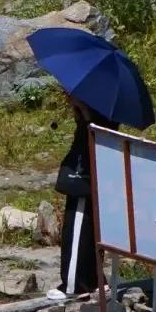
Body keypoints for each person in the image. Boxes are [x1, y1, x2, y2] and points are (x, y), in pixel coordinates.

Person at [53, 96, 113, 300]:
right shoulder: (106, 102)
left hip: (85, 176)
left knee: (78, 227)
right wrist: (80, 113)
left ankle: (74, 285)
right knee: (90, 229)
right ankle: (95, 279)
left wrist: (84, 113)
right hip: (95, 172)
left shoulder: (97, 110)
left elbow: (95, 132)